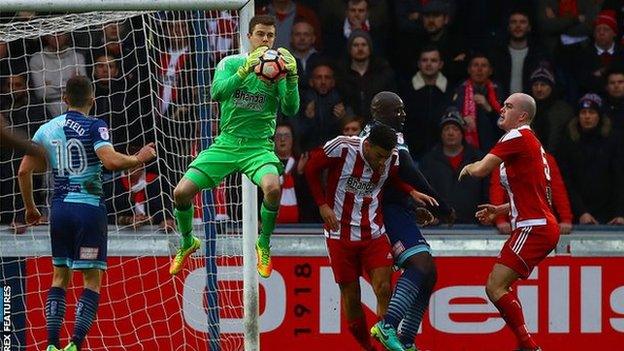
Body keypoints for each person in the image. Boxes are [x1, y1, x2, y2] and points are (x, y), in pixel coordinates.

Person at [17, 76, 156, 351]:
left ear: (65, 99)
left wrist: (31, 209)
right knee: (91, 280)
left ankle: (52, 345)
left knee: (59, 276)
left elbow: (23, 171)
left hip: (59, 210)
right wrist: (138, 158)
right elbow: (110, 160)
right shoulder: (96, 125)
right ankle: (74, 344)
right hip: (88, 210)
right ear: (93, 99)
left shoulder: (46, 129)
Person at [169, 15, 299, 278]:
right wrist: (245, 71)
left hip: (258, 147)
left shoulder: (278, 71)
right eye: (260, 34)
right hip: (226, 144)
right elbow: (217, 92)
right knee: (181, 192)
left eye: (270, 35)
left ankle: (263, 243)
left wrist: (293, 77)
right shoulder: (230, 63)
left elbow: (291, 109)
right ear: (248, 37)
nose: (265, 40)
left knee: (273, 187)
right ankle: (187, 241)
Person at [305, 123, 428, 351]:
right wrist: (322, 205)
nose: (383, 163)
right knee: (352, 298)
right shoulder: (342, 147)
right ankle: (367, 348)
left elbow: (392, 179)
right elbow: (310, 167)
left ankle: (387, 341)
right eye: (379, 156)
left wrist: (410, 194)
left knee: (384, 288)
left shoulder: (390, 157)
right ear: (368, 145)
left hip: (373, 232)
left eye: (386, 158)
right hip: (339, 235)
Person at [458, 92, 560, 351]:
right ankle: (525, 343)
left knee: (495, 286)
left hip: (533, 227)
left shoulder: (517, 136)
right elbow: (536, 194)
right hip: (538, 224)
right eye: (503, 105)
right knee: (499, 286)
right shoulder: (532, 143)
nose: (502, 109)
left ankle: (528, 344)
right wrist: (500, 209)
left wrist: (469, 167)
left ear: (522, 116)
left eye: (509, 106)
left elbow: (482, 169)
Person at [362, 92, 453, 351]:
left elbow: (391, 176)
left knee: (429, 273)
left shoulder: (378, 132)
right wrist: (442, 205)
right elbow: (408, 169)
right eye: (396, 110)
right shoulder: (383, 133)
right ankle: (387, 325)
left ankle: (407, 340)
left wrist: (412, 205)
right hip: (382, 210)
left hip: (395, 207)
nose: (402, 115)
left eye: (403, 110)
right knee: (420, 264)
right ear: (379, 111)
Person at [555, 93, 624, 225]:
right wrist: (581, 212)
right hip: (577, 213)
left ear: (599, 115)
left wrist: (619, 213)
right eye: (583, 112)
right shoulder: (568, 142)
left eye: (591, 112)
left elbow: (619, 178)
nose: (587, 116)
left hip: (610, 214)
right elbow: (566, 181)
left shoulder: (613, 141)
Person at [420, 107, 488, 224]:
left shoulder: (478, 158)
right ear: (441, 134)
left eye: (455, 129)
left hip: (474, 224)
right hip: (438, 225)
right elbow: (422, 191)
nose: (450, 133)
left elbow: (486, 190)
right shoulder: (428, 161)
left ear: (462, 133)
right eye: (446, 129)